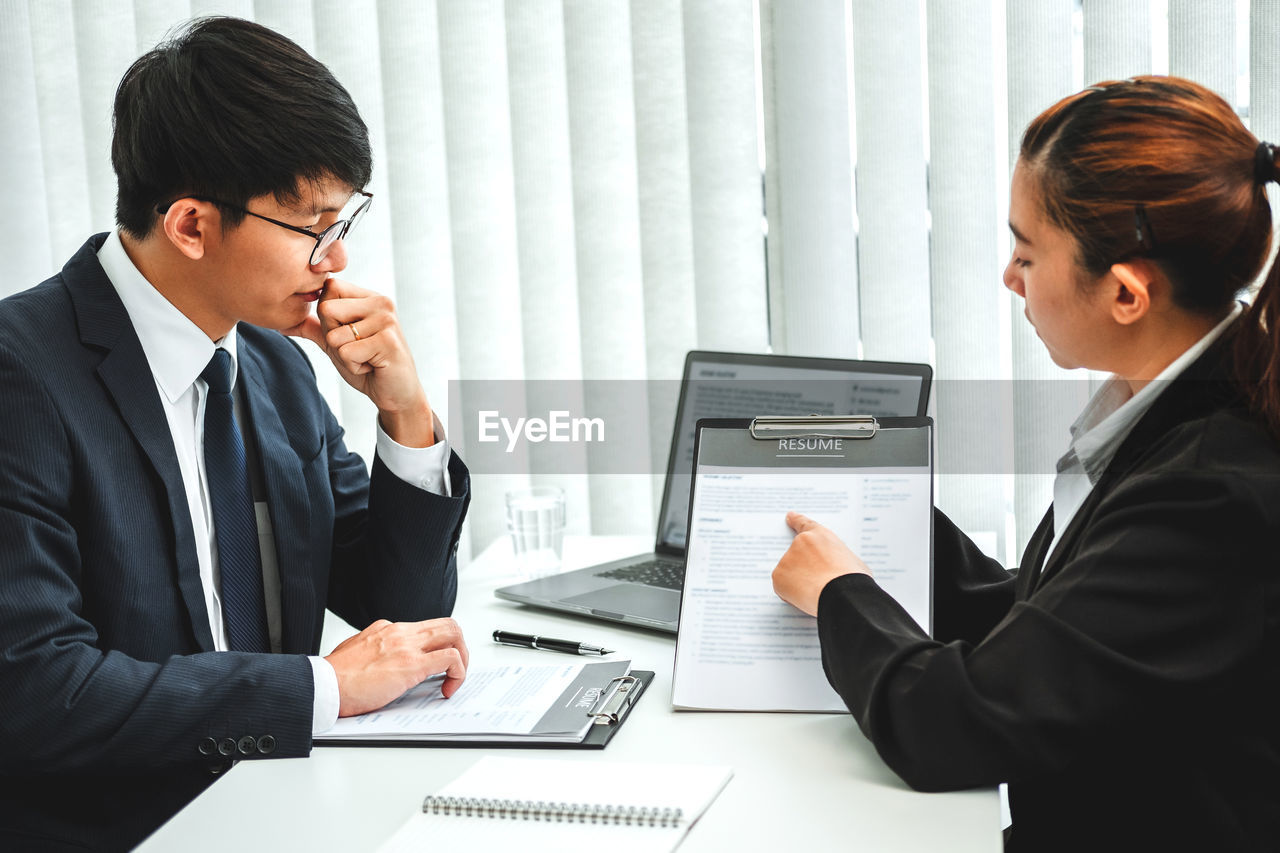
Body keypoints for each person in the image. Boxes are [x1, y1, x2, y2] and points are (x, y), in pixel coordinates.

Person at [0, 17, 472, 851]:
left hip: (285, 808)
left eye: (344, 225)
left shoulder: (272, 363)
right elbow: (38, 689)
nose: (335, 263)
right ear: (191, 224)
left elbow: (399, 611)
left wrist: (403, 414)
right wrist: (319, 688)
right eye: (312, 228)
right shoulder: (21, 377)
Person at [773, 76, 1280, 850]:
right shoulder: (1185, 405)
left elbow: (953, 724)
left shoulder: (1212, 492)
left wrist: (839, 593)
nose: (1010, 276)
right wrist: (888, 517)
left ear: (1127, 293)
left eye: (1027, 251)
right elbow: (1053, 627)